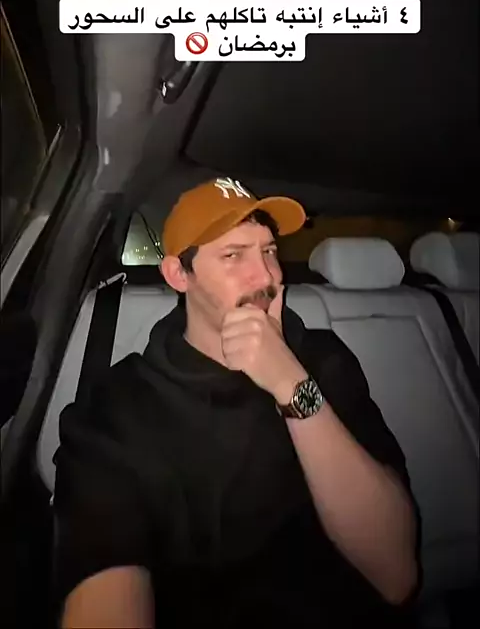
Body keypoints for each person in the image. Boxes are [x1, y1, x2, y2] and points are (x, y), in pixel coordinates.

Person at [53, 177, 421, 628]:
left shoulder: (324, 360)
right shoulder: (119, 406)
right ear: (178, 275)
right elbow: (105, 589)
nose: (266, 276)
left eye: (269, 251)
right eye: (233, 255)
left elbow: (396, 575)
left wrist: (291, 383)